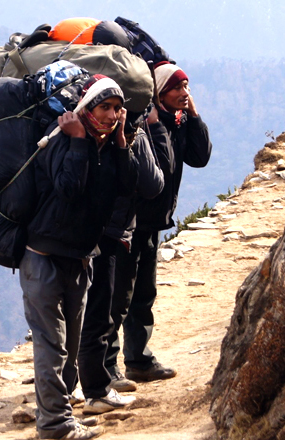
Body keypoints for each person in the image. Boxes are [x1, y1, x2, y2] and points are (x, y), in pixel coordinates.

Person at [20, 75, 138, 440]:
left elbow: (133, 188)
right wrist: (78, 140)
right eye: (105, 107)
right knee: (51, 346)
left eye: (118, 109)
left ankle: (62, 414)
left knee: (71, 347)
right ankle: (54, 426)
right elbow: (69, 189)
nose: (113, 115)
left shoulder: (107, 149)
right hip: (44, 257)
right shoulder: (62, 141)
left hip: (79, 259)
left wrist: (120, 144)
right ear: (87, 109)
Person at [104, 62, 212, 386]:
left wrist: (192, 114)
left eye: (187, 87)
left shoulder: (176, 122)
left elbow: (200, 156)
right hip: (129, 224)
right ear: (160, 93)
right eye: (177, 88)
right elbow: (159, 175)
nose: (184, 93)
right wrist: (159, 126)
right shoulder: (149, 126)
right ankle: (106, 370)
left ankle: (139, 360)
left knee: (143, 294)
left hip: (150, 225)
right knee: (118, 297)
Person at [77, 114, 165, 410]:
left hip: (103, 234)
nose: (114, 115)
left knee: (95, 310)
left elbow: (141, 182)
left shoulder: (126, 134)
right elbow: (152, 183)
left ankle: (83, 389)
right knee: (99, 311)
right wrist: (140, 135)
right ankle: (94, 386)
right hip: (105, 236)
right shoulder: (126, 133)